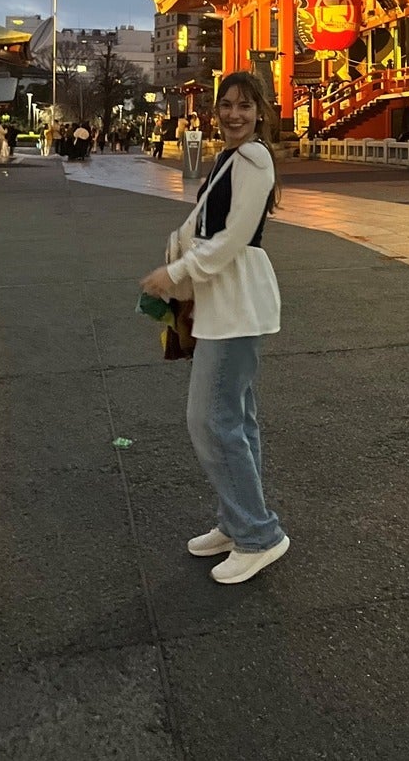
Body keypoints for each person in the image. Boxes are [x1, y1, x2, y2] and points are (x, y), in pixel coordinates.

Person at [140, 70, 288, 587]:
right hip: (222, 301)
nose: (234, 114)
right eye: (226, 105)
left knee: (210, 420)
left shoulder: (254, 158)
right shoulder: (229, 157)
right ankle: (237, 520)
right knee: (236, 420)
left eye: (246, 106)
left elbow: (234, 238)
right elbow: (204, 224)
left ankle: (258, 534)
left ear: (261, 111)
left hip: (237, 303)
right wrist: (177, 248)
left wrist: (176, 273)